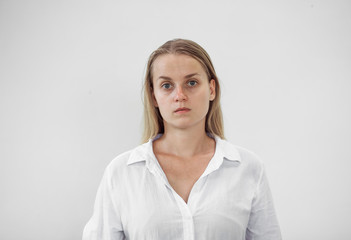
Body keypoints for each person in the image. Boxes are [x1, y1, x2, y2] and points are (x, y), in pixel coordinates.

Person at [82, 39, 282, 240]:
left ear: (211, 89)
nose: (180, 95)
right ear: (154, 96)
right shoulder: (121, 173)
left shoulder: (248, 168)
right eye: (167, 85)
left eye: (191, 83)